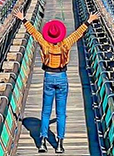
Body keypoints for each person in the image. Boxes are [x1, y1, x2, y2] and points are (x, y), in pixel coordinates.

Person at [13, 8, 99, 153]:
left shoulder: (45, 45)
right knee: (61, 113)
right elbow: (78, 34)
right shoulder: (65, 44)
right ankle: (59, 144)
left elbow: (34, 33)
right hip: (62, 78)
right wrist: (89, 21)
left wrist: (23, 19)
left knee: (46, 112)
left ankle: (42, 142)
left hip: (48, 77)